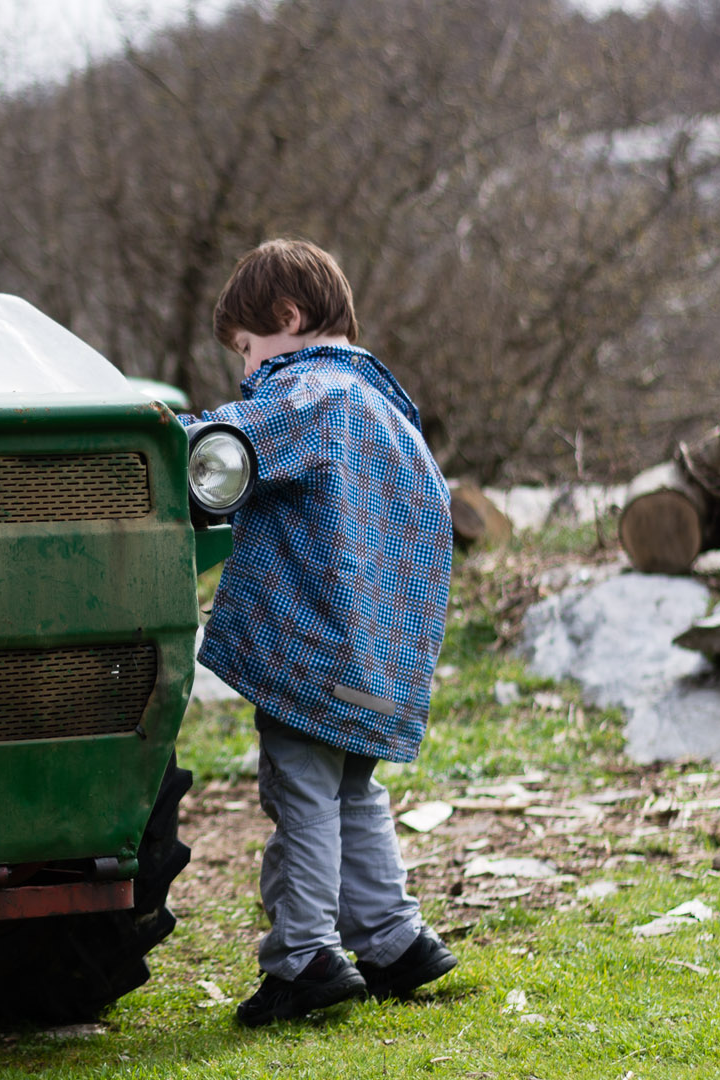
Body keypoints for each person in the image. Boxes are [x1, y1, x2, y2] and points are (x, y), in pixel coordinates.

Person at [183, 238, 456, 1027]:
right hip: (381, 657)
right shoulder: (392, 415)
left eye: (246, 348)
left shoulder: (314, 396)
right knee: (353, 792)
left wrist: (167, 432)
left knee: (298, 796)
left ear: (287, 318)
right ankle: (396, 939)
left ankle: (303, 958)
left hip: (314, 653)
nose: (244, 369)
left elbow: (224, 445)